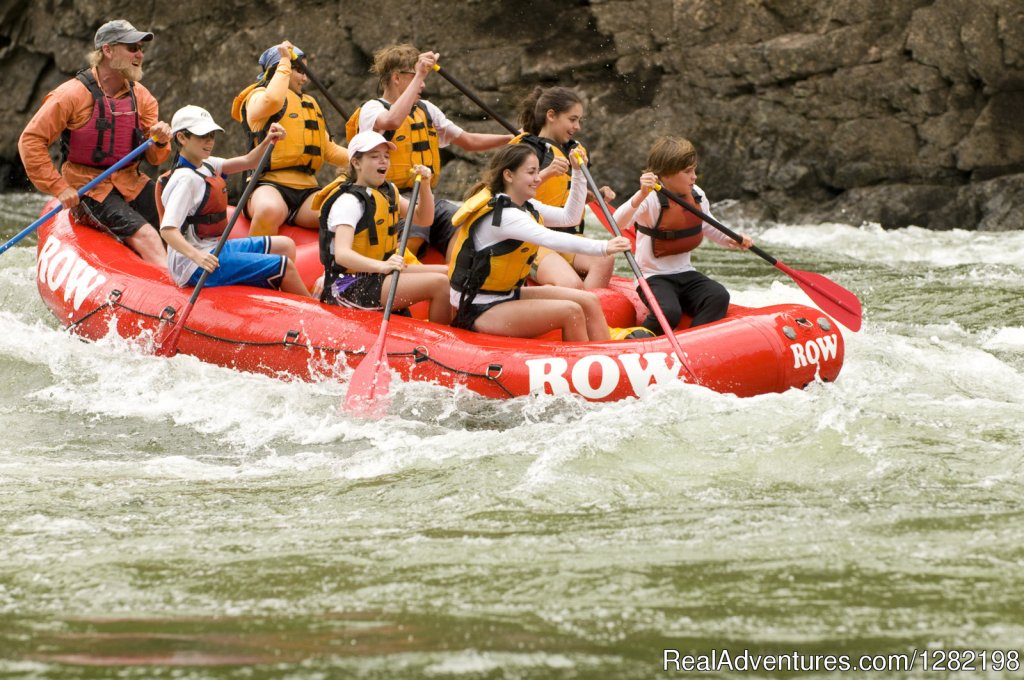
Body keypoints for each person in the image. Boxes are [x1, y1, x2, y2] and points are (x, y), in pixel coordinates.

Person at [448, 144, 646, 342]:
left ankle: (609, 357)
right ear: (509, 175)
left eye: (537, 171)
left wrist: (577, 173)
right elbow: (549, 238)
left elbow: (570, 218)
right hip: (478, 307)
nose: (538, 178)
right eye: (531, 172)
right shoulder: (505, 216)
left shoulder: (525, 205)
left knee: (589, 300)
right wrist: (603, 247)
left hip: (506, 295)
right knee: (571, 312)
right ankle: (585, 366)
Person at [17, 19, 172, 268]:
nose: (140, 54)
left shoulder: (142, 97)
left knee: (175, 222)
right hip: (88, 188)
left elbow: (155, 158)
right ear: (108, 51)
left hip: (130, 182)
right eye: (132, 48)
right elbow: (31, 140)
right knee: (147, 236)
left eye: (141, 48)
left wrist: (161, 142)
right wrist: (58, 187)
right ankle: (172, 296)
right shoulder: (71, 95)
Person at [347, 44, 513, 260]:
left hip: (424, 197)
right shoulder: (373, 108)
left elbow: (468, 141)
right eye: (417, 77)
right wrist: (420, 74)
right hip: (388, 196)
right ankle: (400, 274)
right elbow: (392, 121)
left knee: (464, 223)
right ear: (397, 78)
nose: (423, 84)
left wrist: (510, 139)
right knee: (415, 230)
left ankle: (454, 279)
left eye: (423, 78)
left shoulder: (426, 109)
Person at [155, 106, 311, 297]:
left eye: (212, 135)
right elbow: (167, 230)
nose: (209, 141)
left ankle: (271, 298)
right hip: (192, 265)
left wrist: (268, 141)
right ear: (182, 138)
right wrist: (199, 257)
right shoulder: (185, 180)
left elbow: (249, 162)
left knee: (285, 245)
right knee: (284, 266)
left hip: (213, 249)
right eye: (202, 135)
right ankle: (314, 313)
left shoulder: (207, 164)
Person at [612, 136, 753, 334]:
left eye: (694, 169)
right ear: (665, 174)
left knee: (718, 296)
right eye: (687, 172)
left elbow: (708, 224)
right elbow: (616, 223)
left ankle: (695, 342)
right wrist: (641, 194)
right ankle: (636, 340)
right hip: (653, 276)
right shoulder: (649, 197)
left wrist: (732, 238)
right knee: (669, 312)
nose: (694, 176)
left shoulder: (696, 194)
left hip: (686, 273)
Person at [313, 130, 451, 324]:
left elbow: (424, 218)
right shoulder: (349, 202)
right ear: (356, 162)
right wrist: (383, 266)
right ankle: (439, 343)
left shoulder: (388, 191)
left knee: (448, 273)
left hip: (379, 274)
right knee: (439, 284)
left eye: (386, 156)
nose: (383, 161)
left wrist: (426, 185)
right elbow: (342, 254)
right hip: (348, 285)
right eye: (374, 156)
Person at [230, 40, 349, 236]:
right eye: (299, 71)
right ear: (279, 69)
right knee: (270, 209)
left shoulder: (309, 103)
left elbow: (329, 150)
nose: (305, 78)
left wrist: (363, 156)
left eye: (306, 72)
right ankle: (254, 261)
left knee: (345, 211)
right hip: (269, 185)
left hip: (308, 190)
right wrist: (285, 59)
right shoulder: (257, 96)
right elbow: (273, 100)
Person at [511, 86, 617, 290]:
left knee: (605, 259)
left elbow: (564, 197)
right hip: (533, 238)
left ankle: (590, 309)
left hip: (566, 235)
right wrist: (547, 172)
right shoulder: (526, 150)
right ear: (551, 115)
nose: (577, 126)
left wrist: (596, 195)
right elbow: (509, 193)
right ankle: (571, 305)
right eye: (572, 119)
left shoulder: (573, 151)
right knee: (571, 283)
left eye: (579, 120)